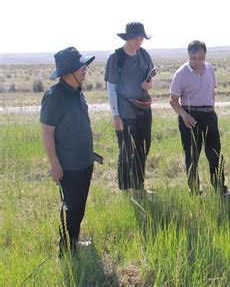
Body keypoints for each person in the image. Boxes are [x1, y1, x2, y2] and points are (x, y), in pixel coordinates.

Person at [40, 47, 96, 255]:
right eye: (79, 66)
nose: (84, 69)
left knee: (79, 206)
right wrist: (55, 164)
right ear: (67, 72)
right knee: (71, 207)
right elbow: (47, 133)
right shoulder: (54, 96)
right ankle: (65, 250)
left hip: (85, 161)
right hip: (68, 166)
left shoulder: (78, 91)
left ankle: (73, 241)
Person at [169, 40, 230, 198]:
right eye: (194, 58)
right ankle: (194, 191)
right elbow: (173, 100)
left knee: (215, 154)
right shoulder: (181, 73)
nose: (197, 61)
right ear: (188, 55)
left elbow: (212, 91)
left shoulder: (210, 69)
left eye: (200, 58)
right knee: (192, 156)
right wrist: (184, 115)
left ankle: (220, 189)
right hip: (190, 116)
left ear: (205, 55)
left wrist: (211, 111)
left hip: (209, 115)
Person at [105, 22, 155, 191]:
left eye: (141, 37)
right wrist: (115, 115)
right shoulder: (116, 57)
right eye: (136, 37)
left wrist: (149, 85)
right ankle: (125, 188)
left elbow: (150, 78)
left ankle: (138, 185)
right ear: (127, 37)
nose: (139, 41)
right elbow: (111, 87)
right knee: (126, 150)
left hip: (144, 108)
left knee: (143, 147)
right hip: (125, 111)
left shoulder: (144, 55)